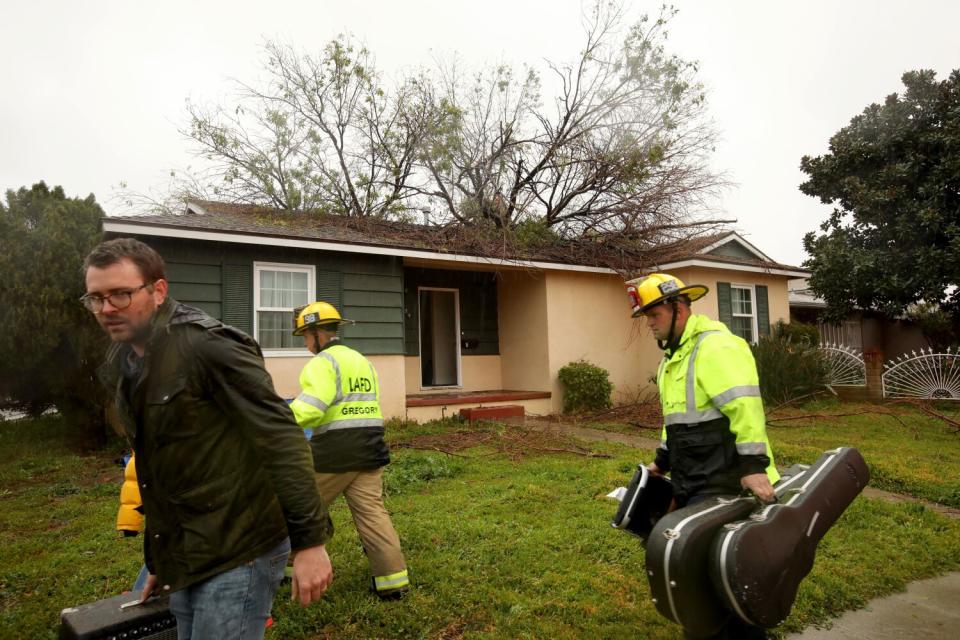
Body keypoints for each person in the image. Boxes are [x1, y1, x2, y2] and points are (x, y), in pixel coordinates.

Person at [83, 238, 334, 640]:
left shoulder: (208, 346)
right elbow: (160, 469)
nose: (108, 308)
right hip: (189, 549)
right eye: (97, 298)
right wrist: (161, 561)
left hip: (241, 548)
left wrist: (310, 543)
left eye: (121, 294)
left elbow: (283, 438)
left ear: (158, 290)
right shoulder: (127, 361)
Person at [628, 272, 778, 640]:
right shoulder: (672, 361)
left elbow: (746, 408)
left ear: (679, 308)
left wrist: (754, 468)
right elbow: (675, 422)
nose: (649, 323)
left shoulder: (715, 347)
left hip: (728, 478)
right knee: (694, 574)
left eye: (654, 314)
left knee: (725, 576)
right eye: (646, 316)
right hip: (692, 477)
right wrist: (661, 463)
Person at [289, 301, 410, 600]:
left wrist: (279, 418)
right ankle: (392, 582)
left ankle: (288, 571)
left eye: (305, 336)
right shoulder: (361, 361)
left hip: (335, 454)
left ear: (318, 333)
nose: (305, 343)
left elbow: (313, 407)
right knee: (373, 515)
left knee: (297, 508)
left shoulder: (322, 363)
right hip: (370, 449)